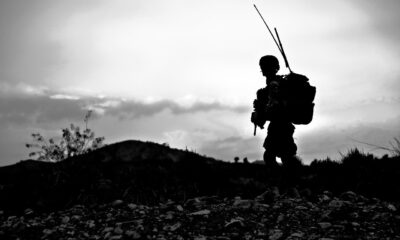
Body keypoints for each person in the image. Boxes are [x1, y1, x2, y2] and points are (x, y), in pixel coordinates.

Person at [251, 55, 297, 168]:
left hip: (280, 126)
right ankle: (288, 181)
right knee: (282, 156)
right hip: (281, 126)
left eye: (263, 67)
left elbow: (276, 109)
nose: (262, 70)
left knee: (276, 156)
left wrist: (261, 109)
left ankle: (287, 181)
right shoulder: (274, 85)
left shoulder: (274, 85)